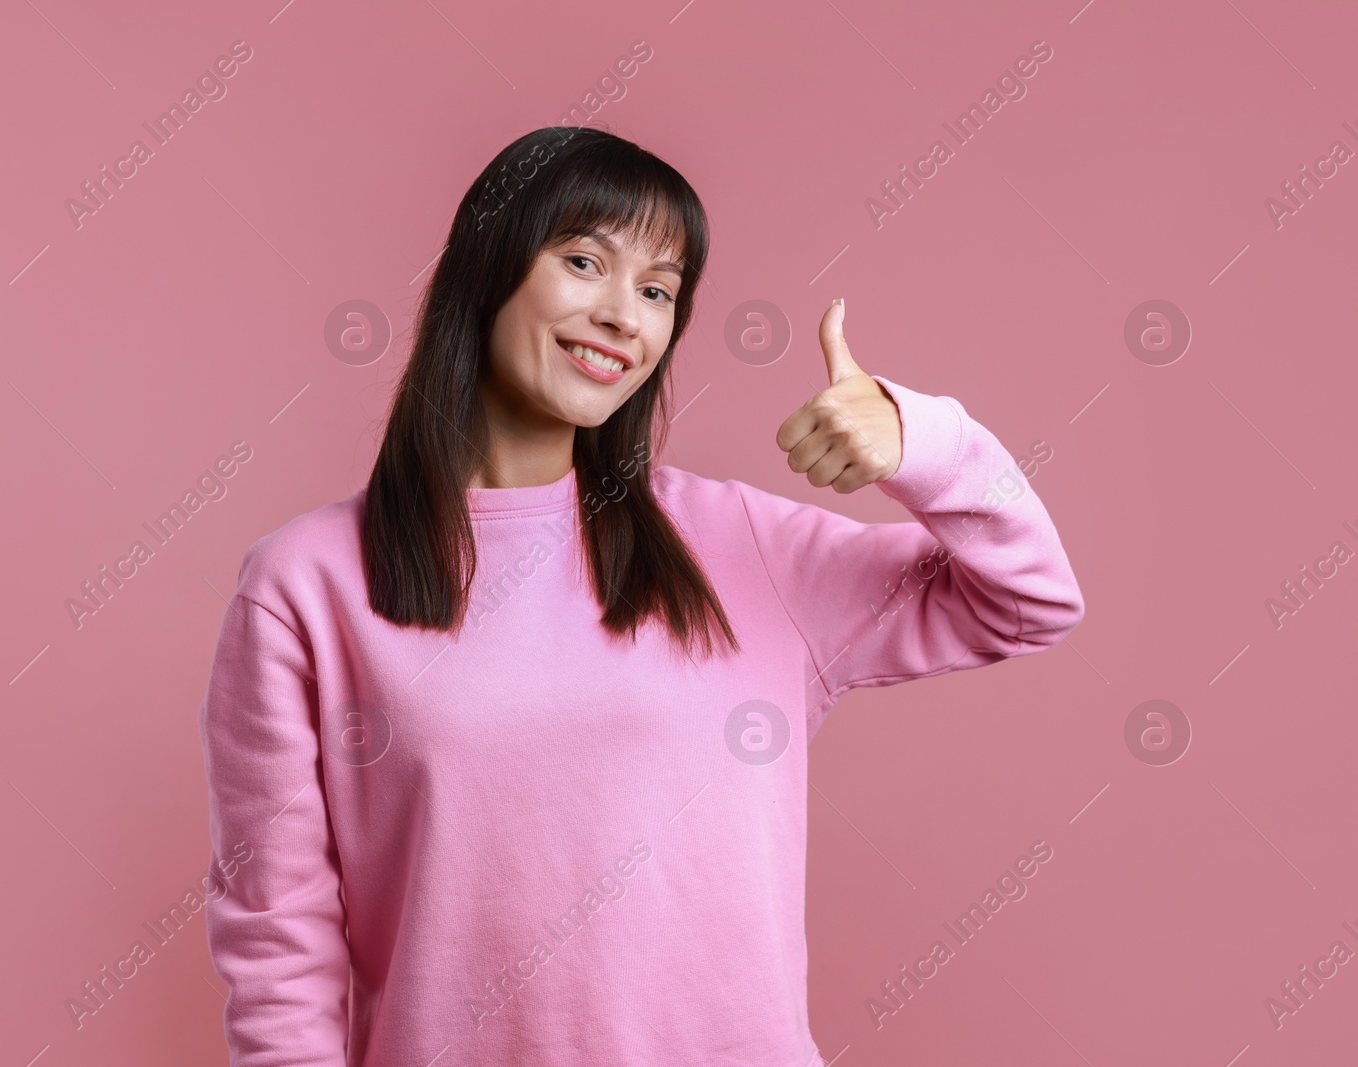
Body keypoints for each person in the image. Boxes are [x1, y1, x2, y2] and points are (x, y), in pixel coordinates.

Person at [196, 125, 1084, 1067]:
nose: (626, 316)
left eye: (659, 291)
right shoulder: (307, 584)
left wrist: (925, 443)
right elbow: (276, 937)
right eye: (585, 261)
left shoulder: (741, 546)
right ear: (486, 269)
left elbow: (1028, 600)